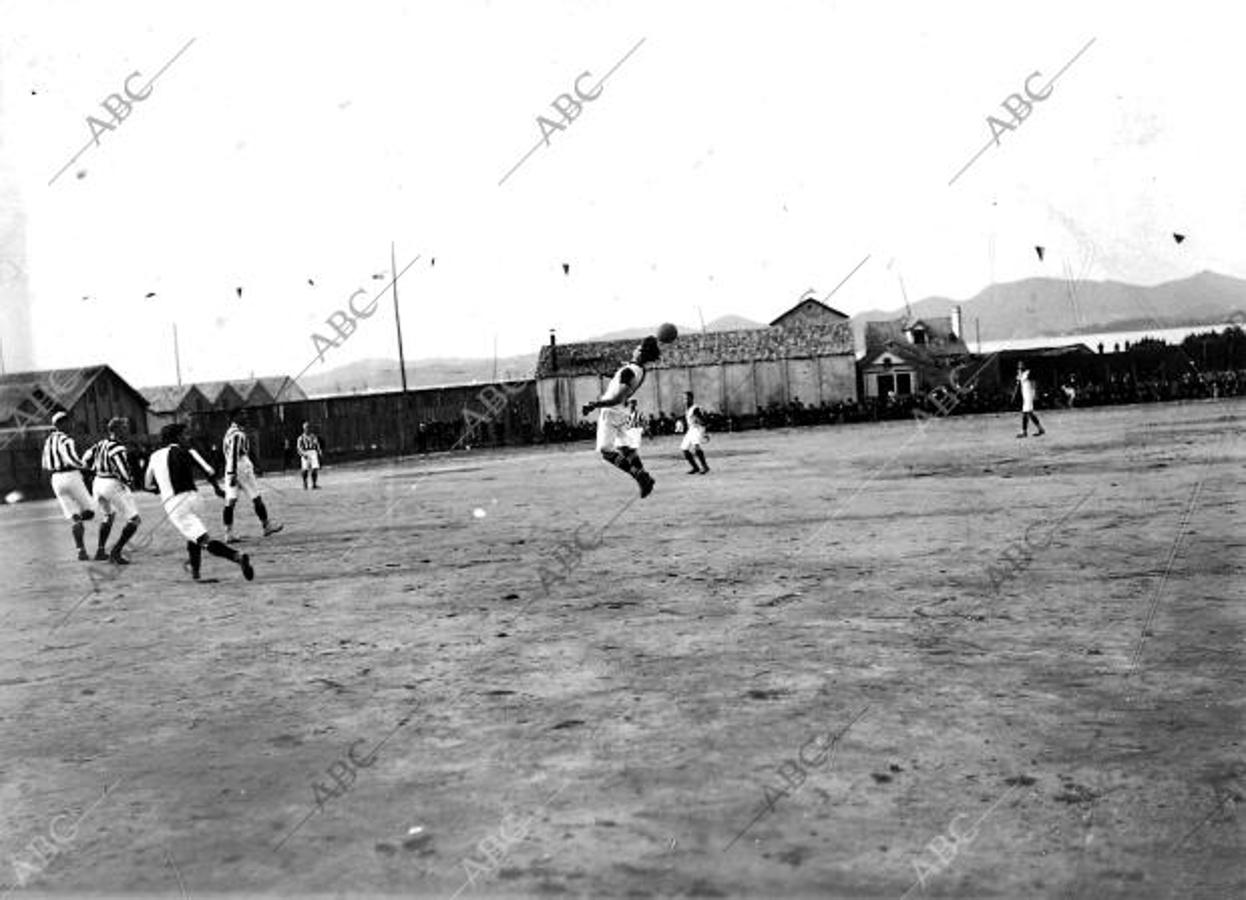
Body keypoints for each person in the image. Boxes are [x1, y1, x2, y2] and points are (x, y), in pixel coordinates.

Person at [145, 423, 253, 581]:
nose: (187, 437)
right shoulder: (188, 451)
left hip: (174, 503)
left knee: (202, 540)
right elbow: (209, 470)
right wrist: (216, 488)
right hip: (195, 499)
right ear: (176, 437)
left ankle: (237, 557)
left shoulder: (154, 456)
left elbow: (147, 485)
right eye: (184, 435)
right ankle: (196, 573)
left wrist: (162, 489)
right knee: (193, 536)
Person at [581, 336, 660, 498]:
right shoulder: (640, 371)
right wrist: (610, 375)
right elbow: (622, 380)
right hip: (623, 413)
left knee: (606, 451)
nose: (635, 349)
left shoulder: (628, 371)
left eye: (638, 348)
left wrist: (594, 405)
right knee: (626, 449)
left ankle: (640, 476)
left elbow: (617, 398)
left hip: (611, 412)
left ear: (640, 354)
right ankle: (644, 476)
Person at [83, 417, 141, 564]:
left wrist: (92, 471)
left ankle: (100, 551)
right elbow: (122, 469)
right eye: (124, 428)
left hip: (97, 483)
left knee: (108, 515)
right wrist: (129, 481)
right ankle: (116, 551)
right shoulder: (118, 447)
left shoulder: (100, 444)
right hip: (111, 483)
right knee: (134, 519)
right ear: (116, 430)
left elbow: (85, 459)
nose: (127, 431)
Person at [40, 411, 98, 560]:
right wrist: (86, 466)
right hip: (71, 476)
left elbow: (45, 464)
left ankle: (80, 549)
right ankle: (79, 522)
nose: (70, 424)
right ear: (60, 424)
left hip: (56, 479)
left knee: (74, 517)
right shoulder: (66, 440)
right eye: (67, 422)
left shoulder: (48, 441)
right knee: (91, 511)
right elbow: (72, 459)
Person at [221, 409, 283, 541]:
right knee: (256, 497)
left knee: (230, 501)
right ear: (234, 417)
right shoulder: (237, 434)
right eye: (242, 414)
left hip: (231, 467)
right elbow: (233, 454)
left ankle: (228, 533)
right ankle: (266, 525)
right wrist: (233, 473)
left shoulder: (229, 433)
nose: (245, 416)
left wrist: (230, 472)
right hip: (241, 467)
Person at [681, 390, 710, 474]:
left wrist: (704, 432)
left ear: (691, 399)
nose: (685, 400)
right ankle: (695, 467)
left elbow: (702, 420)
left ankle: (705, 467)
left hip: (697, 429)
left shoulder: (695, 408)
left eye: (686, 398)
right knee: (684, 449)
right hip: (691, 429)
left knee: (696, 447)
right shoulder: (687, 409)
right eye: (684, 399)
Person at [1014, 362, 1046, 438]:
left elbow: (1033, 383)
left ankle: (1024, 431)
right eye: (1018, 365)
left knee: (1025, 413)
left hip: (1029, 394)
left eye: (1021, 365)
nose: (1019, 366)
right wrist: (1019, 373)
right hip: (1025, 395)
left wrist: (1034, 394)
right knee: (1030, 413)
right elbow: (1018, 380)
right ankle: (1040, 429)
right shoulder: (1021, 373)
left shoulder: (1028, 372)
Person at [297, 421, 323, 489]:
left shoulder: (313, 436)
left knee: (315, 468)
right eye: (306, 428)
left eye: (308, 427)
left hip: (313, 452)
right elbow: (299, 448)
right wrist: (302, 454)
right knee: (305, 469)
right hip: (305, 452)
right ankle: (305, 483)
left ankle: (314, 484)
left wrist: (319, 451)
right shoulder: (301, 438)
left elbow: (317, 445)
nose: (307, 429)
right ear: (303, 429)